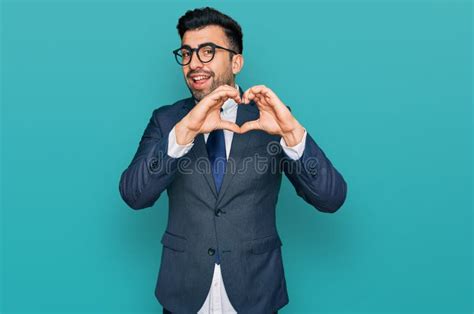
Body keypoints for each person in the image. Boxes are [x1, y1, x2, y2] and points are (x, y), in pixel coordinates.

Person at [119, 7, 347, 314]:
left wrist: (291, 133)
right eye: (186, 53)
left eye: (207, 51)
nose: (194, 63)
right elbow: (134, 194)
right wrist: (184, 132)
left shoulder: (271, 117)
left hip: (255, 292)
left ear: (236, 61)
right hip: (183, 293)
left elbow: (330, 198)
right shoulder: (167, 121)